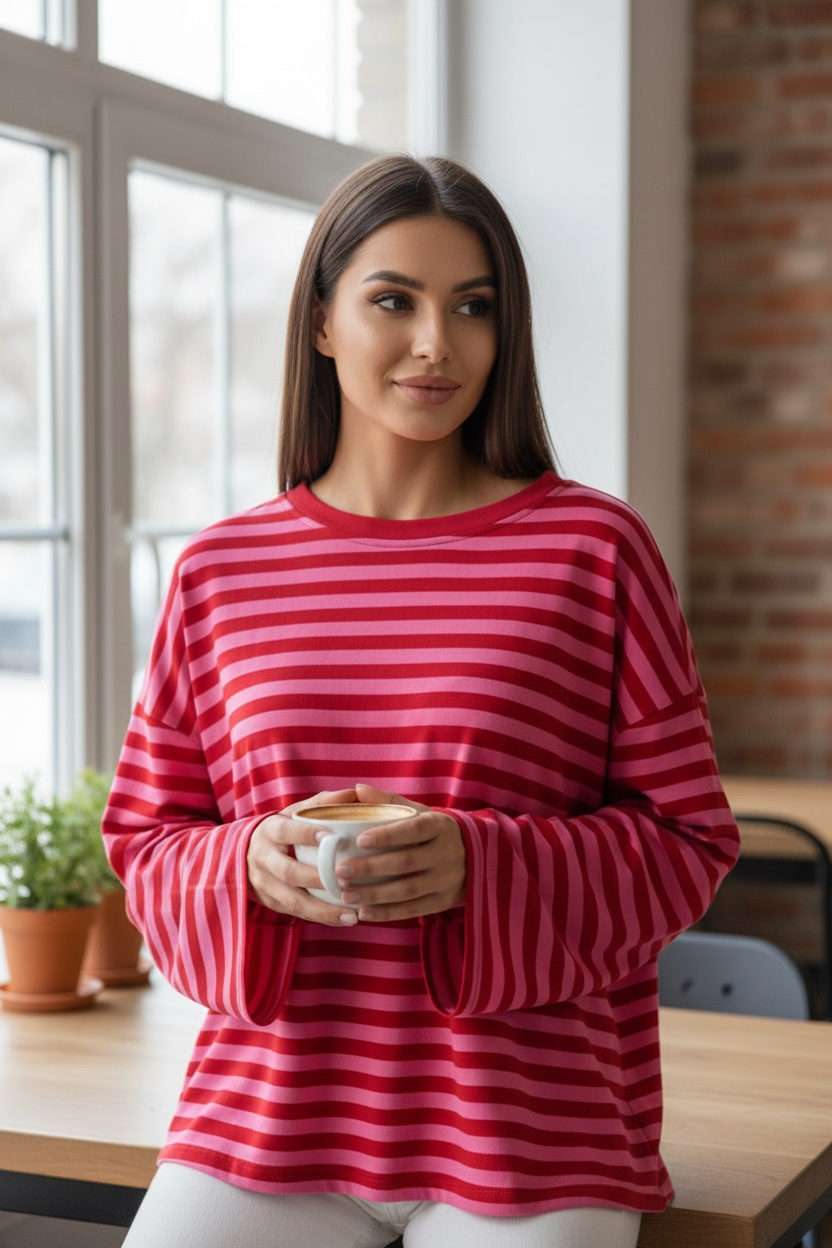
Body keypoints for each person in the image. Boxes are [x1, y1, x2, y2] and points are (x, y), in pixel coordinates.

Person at [104, 153, 740, 1248]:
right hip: (267, 1111)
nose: (437, 344)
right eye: (393, 300)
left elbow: (687, 840)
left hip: (532, 1128)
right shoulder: (219, 573)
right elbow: (147, 841)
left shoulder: (594, 551)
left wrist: (479, 865)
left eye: (473, 307)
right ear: (320, 323)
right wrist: (246, 864)